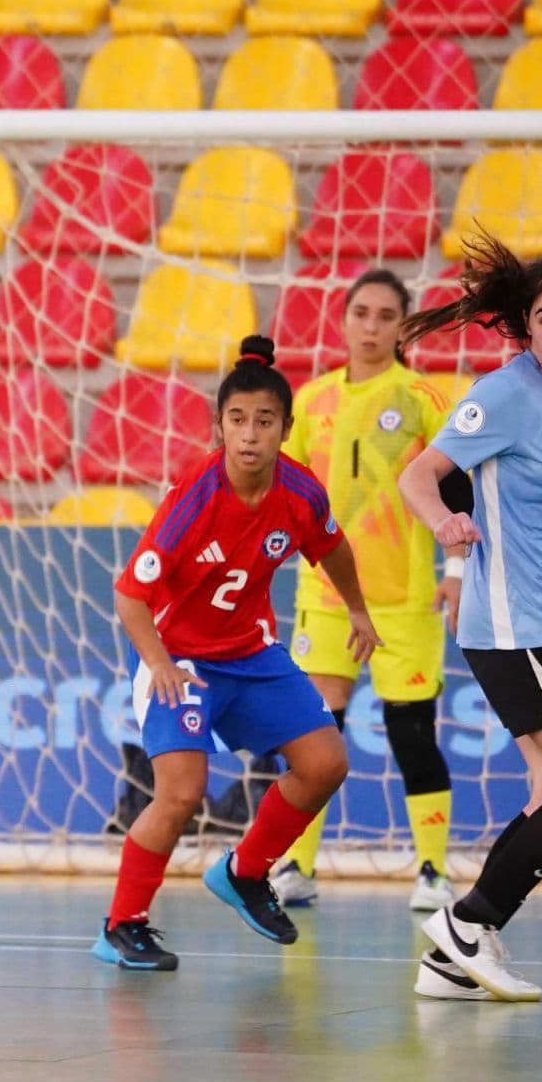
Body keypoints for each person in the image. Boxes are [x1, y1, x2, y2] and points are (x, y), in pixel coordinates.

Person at [96, 336, 382, 972]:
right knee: (181, 793)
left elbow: (332, 546)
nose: (250, 434)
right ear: (218, 425)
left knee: (326, 762)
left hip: (252, 652)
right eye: (237, 420)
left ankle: (245, 872)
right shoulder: (193, 499)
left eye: (264, 421)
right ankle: (122, 923)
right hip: (182, 660)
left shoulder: (300, 492)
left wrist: (358, 608)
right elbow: (129, 596)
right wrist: (162, 665)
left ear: (285, 428)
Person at [395, 232, 542, 1003]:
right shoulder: (507, 393)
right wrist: (445, 525)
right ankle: (468, 922)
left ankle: (452, 954)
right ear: (525, 326)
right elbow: (419, 475)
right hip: (513, 626)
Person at [271, 270, 469, 914]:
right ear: (344, 320)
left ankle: (434, 871)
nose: (372, 325)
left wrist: (456, 569)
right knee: (314, 735)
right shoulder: (315, 398)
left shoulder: (420, 398)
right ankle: (296, 866)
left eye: (387, 315)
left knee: (411, 734)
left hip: (404, 599)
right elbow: (284, 493)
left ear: (403, 326)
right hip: (324, 597)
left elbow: (459, 485)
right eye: (361, 312)